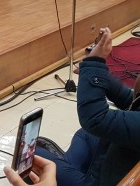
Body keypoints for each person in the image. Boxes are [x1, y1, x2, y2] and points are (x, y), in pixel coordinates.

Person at [35, 27, 140, 186]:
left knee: (32, 155)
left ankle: (64, 168)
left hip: (101, 181)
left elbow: (95, 118)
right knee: (85, 135)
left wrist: (94, 63)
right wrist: (95, 66)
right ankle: (66, 165)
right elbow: (127, 98)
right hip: (111, 158)